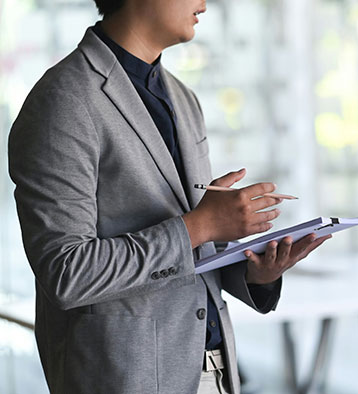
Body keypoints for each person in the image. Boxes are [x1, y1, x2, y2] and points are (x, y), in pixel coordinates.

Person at [7, 1, 330, 393]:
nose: (204, 4)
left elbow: (189, 253)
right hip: (125, 379)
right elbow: (67, 272)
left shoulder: (182, 98)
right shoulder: (62, 101)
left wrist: (253, 273)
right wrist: (202, 225)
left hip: (213, 372)